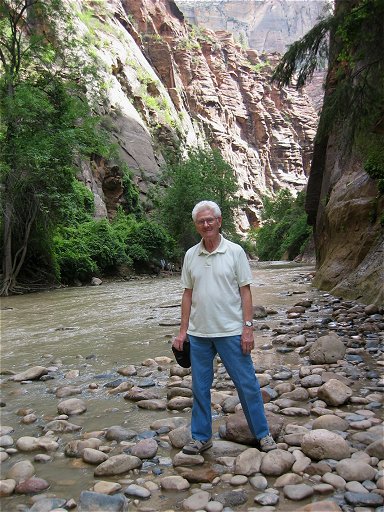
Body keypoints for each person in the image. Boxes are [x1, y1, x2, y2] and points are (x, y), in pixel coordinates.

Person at [173, 200, 277, 455]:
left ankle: (262, 435)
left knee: (248, 385)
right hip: (199, 336)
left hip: (231, 332)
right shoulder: (190, 255)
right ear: (196, 225)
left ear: (219, 221)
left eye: (210, 220)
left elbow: (245, 291)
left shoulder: (235, 252)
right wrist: (183, 331)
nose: (206, 224)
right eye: (201, 221)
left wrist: (248, 327)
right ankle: (201, 437)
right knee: (199, 388)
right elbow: (187, 294)